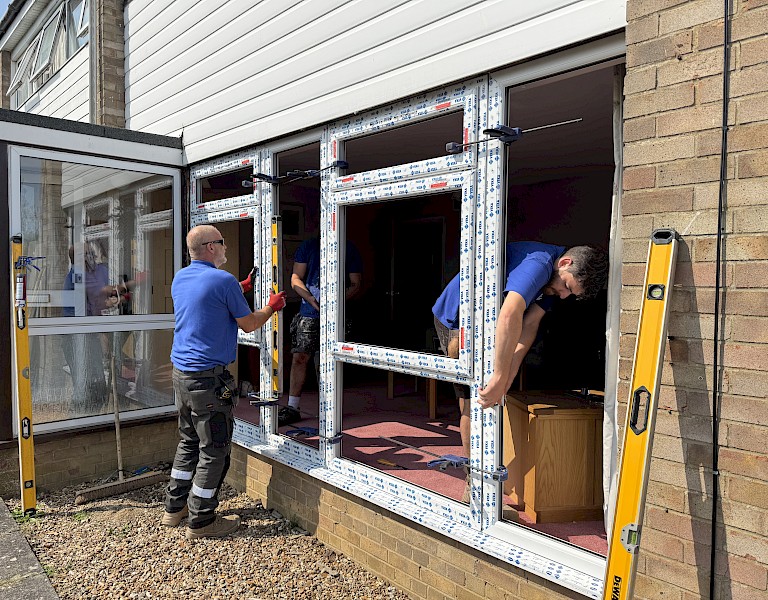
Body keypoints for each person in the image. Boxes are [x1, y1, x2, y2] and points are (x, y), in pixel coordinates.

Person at [432, 242, 608, 502]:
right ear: (565, 264)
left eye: (570, 294)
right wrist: (499, 377)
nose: (563, 296)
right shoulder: (540, 265)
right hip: (459, 316)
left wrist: (506, 377)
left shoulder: (552, 283)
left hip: (494, 317)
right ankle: (474, 478)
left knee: (494, 388)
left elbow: (529, 325)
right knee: (471, 398)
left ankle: (486, 469)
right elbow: (509, 315)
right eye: (567, 287)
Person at [162, 225, 287, 539]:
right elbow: (248, 324)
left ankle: (174, 508)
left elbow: (207, 305)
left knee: (189, 441)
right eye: (222, 242)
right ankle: (202, 521)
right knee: (215, 449)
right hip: (208, 381)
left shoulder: (182, 277)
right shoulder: (223, 280)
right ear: (209, 248)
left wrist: (240, 288)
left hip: (182, 376)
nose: (226, 247)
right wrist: (272, 307)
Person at [279, 237, 362, 426]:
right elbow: (295, 278)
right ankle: (292, 407)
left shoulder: (348, 247)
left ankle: (329, 409)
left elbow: (356, 283)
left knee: (327, 360)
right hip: (308, 312)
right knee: (300, 357)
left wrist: (333, 302)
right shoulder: (309, 245)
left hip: (336, 315)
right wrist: (310, 299)